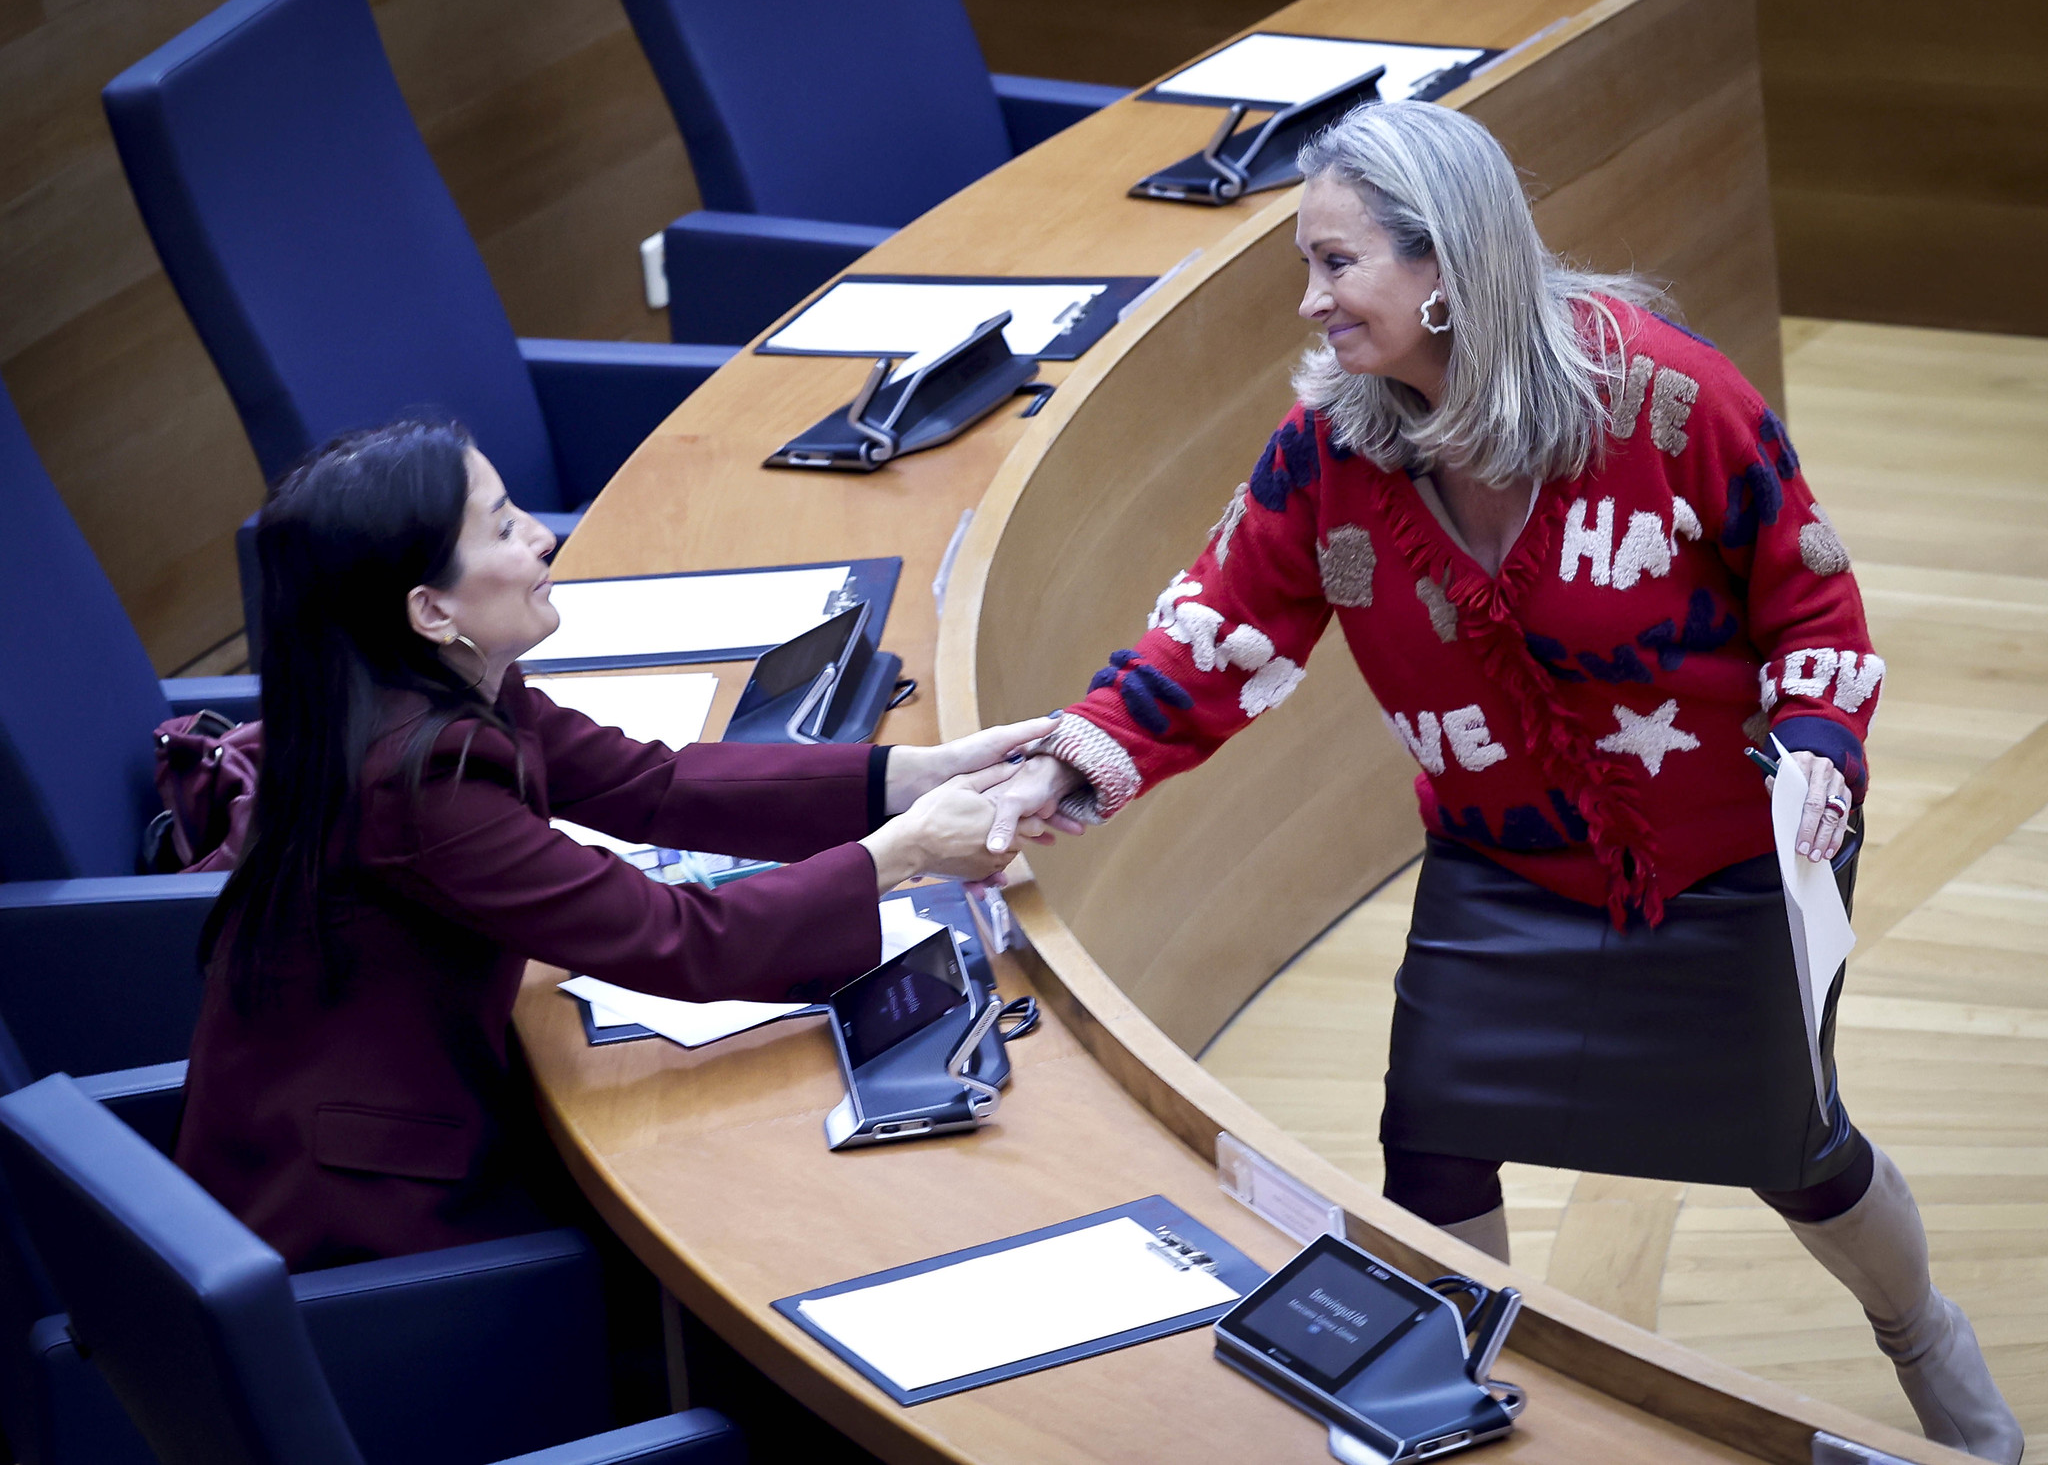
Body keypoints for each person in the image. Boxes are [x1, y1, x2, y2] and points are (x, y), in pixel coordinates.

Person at [983, 103, 2020, 1458]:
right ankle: (1453, 1414)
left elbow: (1812, 605)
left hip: (1723, 862)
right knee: (1433, 1139)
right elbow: (1216, 633)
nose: (1312, 302)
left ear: (1446, 268)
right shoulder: (1332, 454)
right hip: (1499, 867)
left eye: (1338, 264)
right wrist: (1071, 762)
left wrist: (1821, 743)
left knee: (1796, 1157)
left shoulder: (1665, 397)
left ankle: (1926, 1344)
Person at [178, 418, 1044, 1272]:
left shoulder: (434, 685)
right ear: (431, 609)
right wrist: (903, 852)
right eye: (504, 526)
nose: (543, 537)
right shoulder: (418, 782)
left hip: (391, 1115)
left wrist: (912, 776)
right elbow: (684, 942)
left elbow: (653, 785)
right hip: (370, 1215)